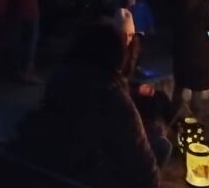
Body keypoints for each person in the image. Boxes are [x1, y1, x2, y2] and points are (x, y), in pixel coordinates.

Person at [15, 21, 161, 188]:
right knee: (160, 145)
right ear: (116, 56)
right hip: (90, 176)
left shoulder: (59, 83)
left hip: (57, 171)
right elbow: (148, 176)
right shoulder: (114, 100)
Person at [168, 0, 209, 116]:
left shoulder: (174, 0)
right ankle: (195, 121)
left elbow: (169, 21)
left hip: (180, 47)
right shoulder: (203, 2)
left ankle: (172, 117)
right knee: (197, 88)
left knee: (179, 85)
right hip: (199, 49)